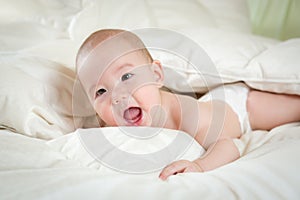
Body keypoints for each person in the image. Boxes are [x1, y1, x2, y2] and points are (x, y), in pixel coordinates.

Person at [76, 29, 300, 180]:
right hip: (212, 100)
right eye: (101, 91)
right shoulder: (110, 128)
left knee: (293, 108)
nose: (117, 96)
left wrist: (200, 166)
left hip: (240, 107)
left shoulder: (185, 115)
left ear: (156, 75)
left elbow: (228, 145)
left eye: (126, 77)